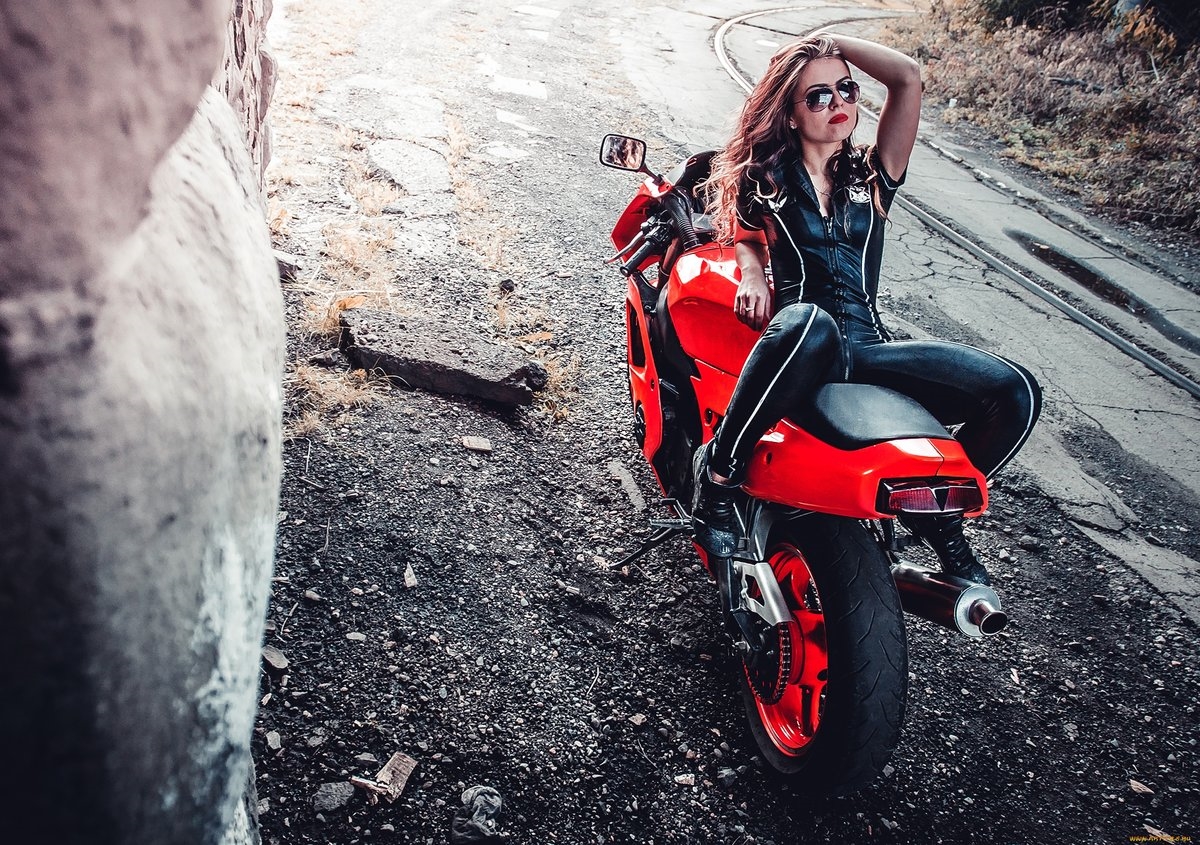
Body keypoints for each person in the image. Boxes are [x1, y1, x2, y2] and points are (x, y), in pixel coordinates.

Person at [693, 33, 1042, 585]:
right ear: (787, 113)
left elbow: (906, 76)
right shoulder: (765, 178)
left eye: (847, 90)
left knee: (1015, 389)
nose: (839, 104)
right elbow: (747, 235)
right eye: (818, 96)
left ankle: (939, 517)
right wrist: (755, 272)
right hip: (804, 347)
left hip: (869, 350)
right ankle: (717, 469)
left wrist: (831, 46)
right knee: (813, 320)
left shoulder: (872, 176)